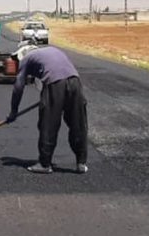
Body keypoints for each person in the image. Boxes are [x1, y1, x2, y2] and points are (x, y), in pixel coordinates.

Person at [7, 43, 88, 174]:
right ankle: (81, 163)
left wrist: (13, 111)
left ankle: (45, 164)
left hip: (55, 83)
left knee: (48, 123)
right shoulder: (52, 50)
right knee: (78, 123)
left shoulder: (26, 59)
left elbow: (18, 87)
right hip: (75, 82)